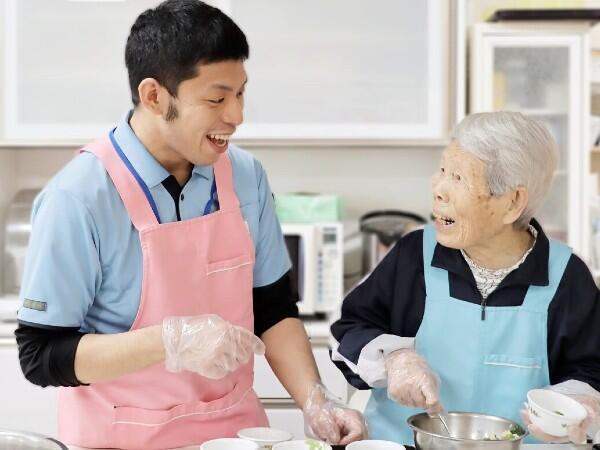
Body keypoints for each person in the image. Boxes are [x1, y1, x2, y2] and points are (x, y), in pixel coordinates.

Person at [14, 1, 366, 448]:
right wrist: (169, 340)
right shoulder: (79, 198)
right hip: (120, 438)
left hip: (233, 435)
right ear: (155, 96)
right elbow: (41, 355)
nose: (237, 116)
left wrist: (316, 399)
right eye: (217, 99)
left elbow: (273, 310)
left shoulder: (245, 177)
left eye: (240, 94)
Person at [330, 111, 600, 445]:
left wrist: (579, 407)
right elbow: (348, 332)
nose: (438, 188)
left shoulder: (567, 276)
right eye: (442, 170)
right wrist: (395, 360)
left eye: (458, 178)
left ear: (514, 202)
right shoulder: (413, 254)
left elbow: (591, 371)